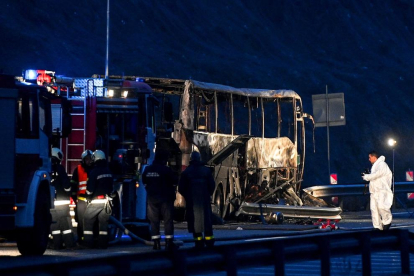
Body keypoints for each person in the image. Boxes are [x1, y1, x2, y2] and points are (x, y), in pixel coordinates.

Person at [142, 149, 178, 250]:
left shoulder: (148, 170)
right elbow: (175, 181)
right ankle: (168, 242)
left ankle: (156, 243)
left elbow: (144, 182)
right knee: (168, 220)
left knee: (154, 221)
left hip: (152, 199)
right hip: (165, 198)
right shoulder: (166, 170)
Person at [178, 151, 216, 249]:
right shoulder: (206, 171)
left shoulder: (186, 172)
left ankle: (198, 242)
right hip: (204, 201)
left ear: (191, 159)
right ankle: (209, 241)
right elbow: (212, 185)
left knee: (195, 223)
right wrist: (207, 195)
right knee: (207, 221)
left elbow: (181, 188)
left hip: (192, 202)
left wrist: (188, 197)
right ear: (199, 159)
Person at [83, 150, 114, 248]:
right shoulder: (108, 171)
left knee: (87, 219)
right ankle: (103, 244)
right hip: (107, 202)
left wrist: (87, 197)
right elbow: (111, 188)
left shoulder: (94, 171)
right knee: (103, 224)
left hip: (96, 201)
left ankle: (88, 243)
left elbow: (90, 189)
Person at [50, 148, 75, 249]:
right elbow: (66, 185)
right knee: (65, 225)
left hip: (52, 202)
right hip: (62, 202)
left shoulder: (47, 168)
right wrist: (69, 191)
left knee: (54, 225)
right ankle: (70, 244)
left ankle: (57, 244)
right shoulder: (60, 168)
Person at [362, 151, 393, 230]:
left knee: (382, 207)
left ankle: (387, 222)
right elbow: (375, 177)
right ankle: (377, 226)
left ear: (374, 157)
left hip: (382, 190)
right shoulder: (374, 166)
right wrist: (368, 175)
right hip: (374, 191)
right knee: (374, 209)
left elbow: (377, 174)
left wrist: (366, 176)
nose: (369, 159)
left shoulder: (382, 164)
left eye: (370, 157)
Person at [70, 149, 93, 243]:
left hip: (91, 200)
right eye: (87, 159)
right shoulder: (78, 169)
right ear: (83, 160)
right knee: (80, 220)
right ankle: (81, 238)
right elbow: (73, 184)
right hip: (81, 200)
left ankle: (90, 239)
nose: (89, 161)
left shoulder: (94, 170)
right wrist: (74, 198)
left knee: (91, 220)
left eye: (90, 159)